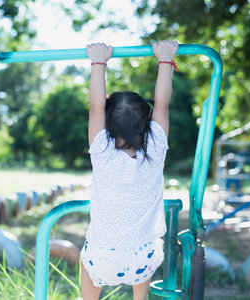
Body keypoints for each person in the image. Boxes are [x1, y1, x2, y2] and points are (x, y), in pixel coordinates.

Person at [80, 40, 179, 300]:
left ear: (107, 126)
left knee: (87, 265)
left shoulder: (101, 151)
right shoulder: (156, 149)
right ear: (147, 125)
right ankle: (139, 298)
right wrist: (165, 59)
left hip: (101, 256)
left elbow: (96, 106)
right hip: (143, 258)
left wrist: (98, 63)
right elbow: (162, 105)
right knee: (143, 252)